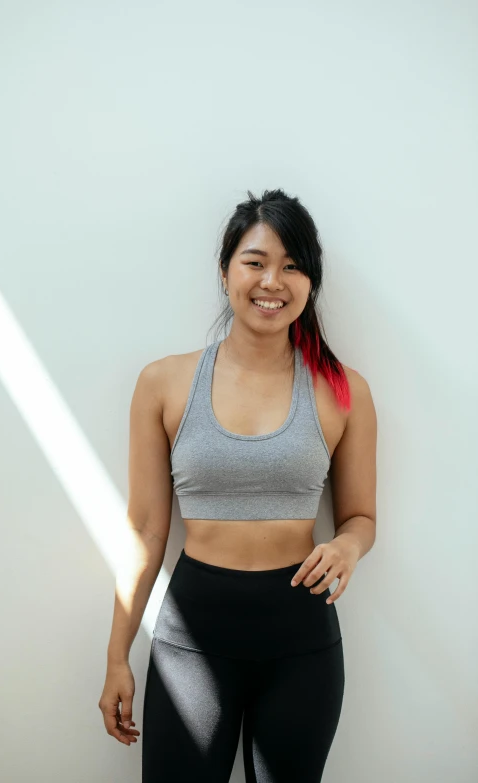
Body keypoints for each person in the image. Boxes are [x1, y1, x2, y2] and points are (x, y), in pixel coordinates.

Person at [98, 188, 377, 782]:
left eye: (293, 266)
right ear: (226, 270)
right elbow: (147, 530)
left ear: (310, 282)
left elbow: (359, 517)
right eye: (255, 261)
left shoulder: (342, 390)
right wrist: (117, 655)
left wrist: (348, 546)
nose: (273, 281)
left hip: (301, 638)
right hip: (193, 640)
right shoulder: (164, 383)